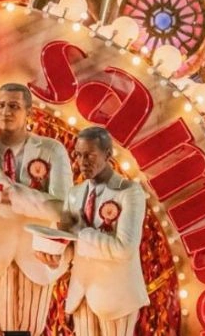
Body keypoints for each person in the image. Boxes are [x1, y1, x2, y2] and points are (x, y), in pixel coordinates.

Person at [0, 83, 71, 335]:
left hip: (38, 259)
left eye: (14, 106)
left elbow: (63, 209)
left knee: (32, 331)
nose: (6, 111)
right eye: (1, 105)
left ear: (28, 112)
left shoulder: (52, 151)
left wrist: (14, 193)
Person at [44, 126, 148, 336]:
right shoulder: (74, 193)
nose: (83, 162)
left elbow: (124, 248)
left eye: (90, 155)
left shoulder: (129, 192)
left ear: (108, 154)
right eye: (79, 155)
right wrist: (57, 259)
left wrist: (82, 232)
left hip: (118, 298)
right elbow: (70, 246)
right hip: (81, 295)